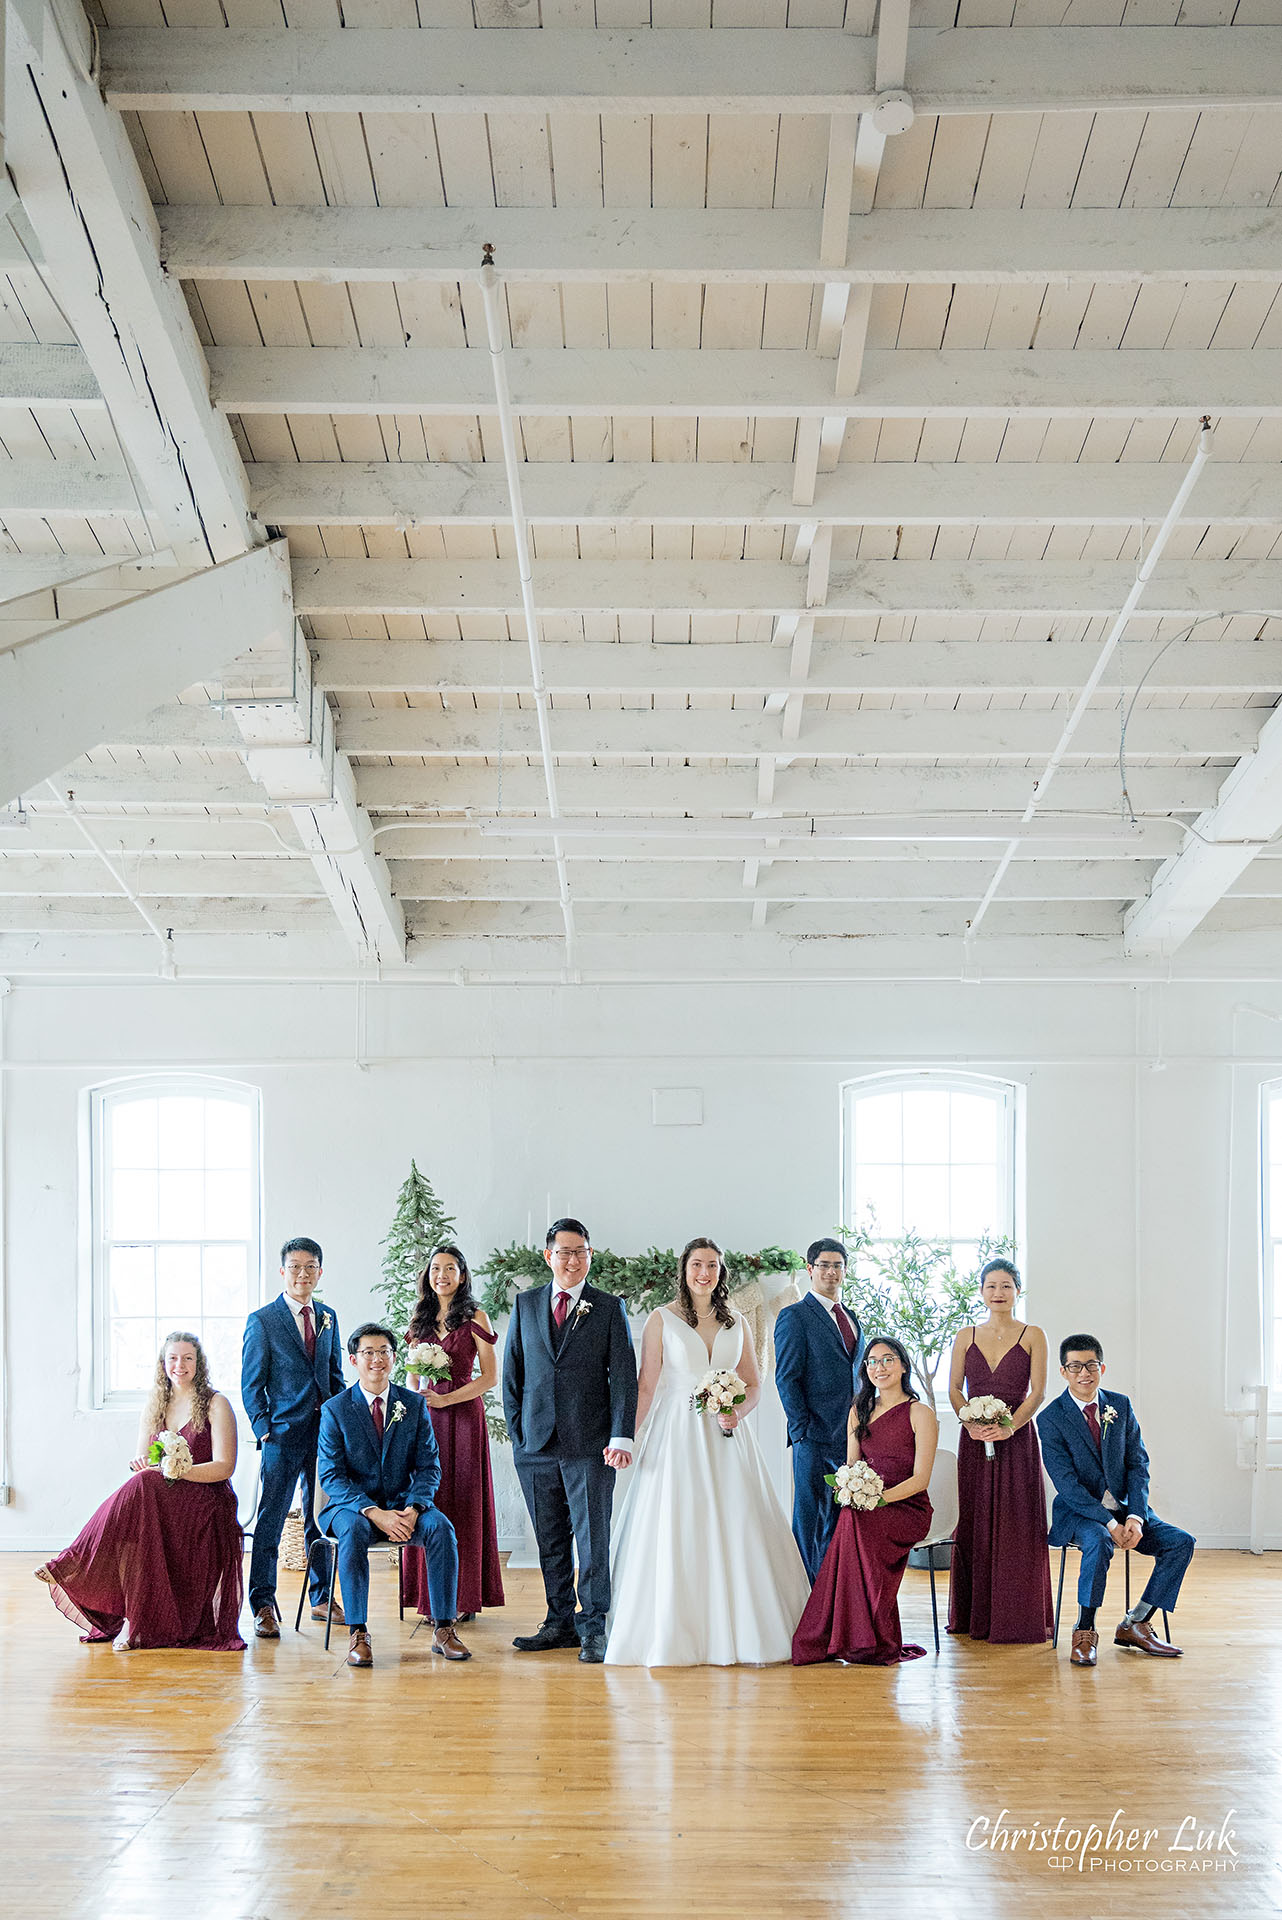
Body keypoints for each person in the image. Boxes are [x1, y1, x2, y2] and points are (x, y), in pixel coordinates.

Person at [605, 1238, 811, 1667]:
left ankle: (743, 1629)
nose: (705, 1273)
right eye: (697, 1264)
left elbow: (754, 1384)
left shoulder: (738, 1321)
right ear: (684, 1269)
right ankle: (675, 1631)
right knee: (677, 1524)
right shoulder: (662, 1320)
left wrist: (738, 1412)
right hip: (676, 1435)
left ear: (721, 1272)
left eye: (713, 1266)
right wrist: (624, 1436)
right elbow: (646, 1386)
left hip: (727, 1440)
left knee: (737, 1522)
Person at [36, 1331, 245, 1651]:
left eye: (188, 1358)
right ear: (163, 1364)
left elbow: (224, 1467)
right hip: (165, 1497)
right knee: (140, 1496)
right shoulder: (156, 1404)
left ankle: (74, 1562)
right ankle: (132, 1621)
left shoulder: (216, 1403)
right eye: (173, 1358)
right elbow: (146, 1462)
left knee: (143, 1487)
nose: (180, 1365)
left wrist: (179, 1470)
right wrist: (145, 1463)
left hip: (207, 1498)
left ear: (199, 1364)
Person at [502, 1217, 638, 1664]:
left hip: (590, 1443)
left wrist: (621, 1435)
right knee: (551, 1538)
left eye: (580, 1251)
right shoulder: (525, 1305)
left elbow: (623, 1378)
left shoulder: (608, 1306)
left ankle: (594, 1624)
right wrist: (520, 1435)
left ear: (590, 1255)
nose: (572, 1259)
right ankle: (558, 1620)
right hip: (536, 1445)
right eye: (564, 1252)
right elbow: (513, 1376)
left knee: (592, 1537)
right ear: (549, 1256)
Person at [1038, 1334, 1195, 1667]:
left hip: (1126, 1510)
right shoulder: (1050, 1418)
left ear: (1102, 1367)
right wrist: (1109, 1523)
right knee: (1098, 1541)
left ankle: (1136, 1622)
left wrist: (1136, 1517)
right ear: (1064, 1371)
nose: (1085, 1373)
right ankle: (1084, 1630)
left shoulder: (1119, 1406)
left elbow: (1138, 1465)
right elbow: (1067, 1485)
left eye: (1091, 1365)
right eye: (1076, 1366)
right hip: (1079, 1513)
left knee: (1181, 1542)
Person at [317, 1323, 466, 1668]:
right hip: (350, 1508)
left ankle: (444, 1628)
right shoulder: (335, 1410)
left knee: (441, 1528)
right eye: (368, 1353)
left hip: (404, 1506)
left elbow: (429, 1467)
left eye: (383, 1351)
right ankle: (358, 1631)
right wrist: (373, 1512)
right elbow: (331, 1477)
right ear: (353, 1360)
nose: (376, 1359)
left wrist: (414, 1508)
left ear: (394, 1358)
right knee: (353, 1532)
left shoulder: (412, 1405)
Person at [792, 1337, 938, 1666]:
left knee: (854, 1521)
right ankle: (852, 1635)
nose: (879, 1367)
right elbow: (852, 1467)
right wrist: (853, 1492)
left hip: (907, 1507)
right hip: (867, 1508)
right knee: (851, 1518)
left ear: (903, 1365)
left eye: (887, 1360)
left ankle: (866, 1638)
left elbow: (921, 1480)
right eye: (872, 1361)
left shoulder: (920, 1413)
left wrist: (879, 1499)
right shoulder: (859, 1411)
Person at [241, 1236, 345, 1639]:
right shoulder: (263, 1320)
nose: (303, 1274)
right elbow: (252, 1382)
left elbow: (334, 1375)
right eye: (295, 1267)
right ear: (282, 1272)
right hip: (281, 1435)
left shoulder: (329, 1316)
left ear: (320, 1271)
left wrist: (342, 1424)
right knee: (271, 1520)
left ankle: (321, 1599)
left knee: (319, 1519)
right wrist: (263, 1428)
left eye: (311, 1266)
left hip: (323, 1436)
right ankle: (263, 1604)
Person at [947, 1257, 1054, 1644]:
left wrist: (1008, 1427)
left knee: (1017, 1521)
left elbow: (1039, 1392)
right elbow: (955, 1389)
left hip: (1018, 1439)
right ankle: (974, 1614)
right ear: (981, 1291)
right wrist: (971, 1422)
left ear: (1017, 1290)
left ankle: (1016, 1615)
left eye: (1006, 1286)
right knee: (975, 1520)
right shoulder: (965, 1336)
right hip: (974, 1440)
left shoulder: (1033, 1335)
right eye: (991, 1286)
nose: (998, 1293)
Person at [401, 1243, 504, 1623]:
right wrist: (418, 1403)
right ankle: (428, 1596)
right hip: (426, 1417)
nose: (441, 1275)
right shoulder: (420, 1319)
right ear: (427, 1276)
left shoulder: (476, 1316)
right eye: (435, 1269)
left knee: (463, 1498)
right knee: (430, 1498)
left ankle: (462, 1597)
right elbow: (412, 1376)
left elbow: (490, 1377)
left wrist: (448, 1401)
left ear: (462, 1275)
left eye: (449, 1268)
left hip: (463, 1416)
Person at [774, 1237, 863, 1580]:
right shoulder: (795, 1316)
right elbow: (787, 1378)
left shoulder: (852, 1318)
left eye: (837, 1265)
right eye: (824, 1265)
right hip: (813, 1437)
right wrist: (802, 1432)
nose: (831, 1272)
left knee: (842, 1522)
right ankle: (806, 1600)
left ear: (845, 1271)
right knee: (810, 1522)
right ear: (810, 1270)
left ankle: (835, 1600)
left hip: (852, 1438)